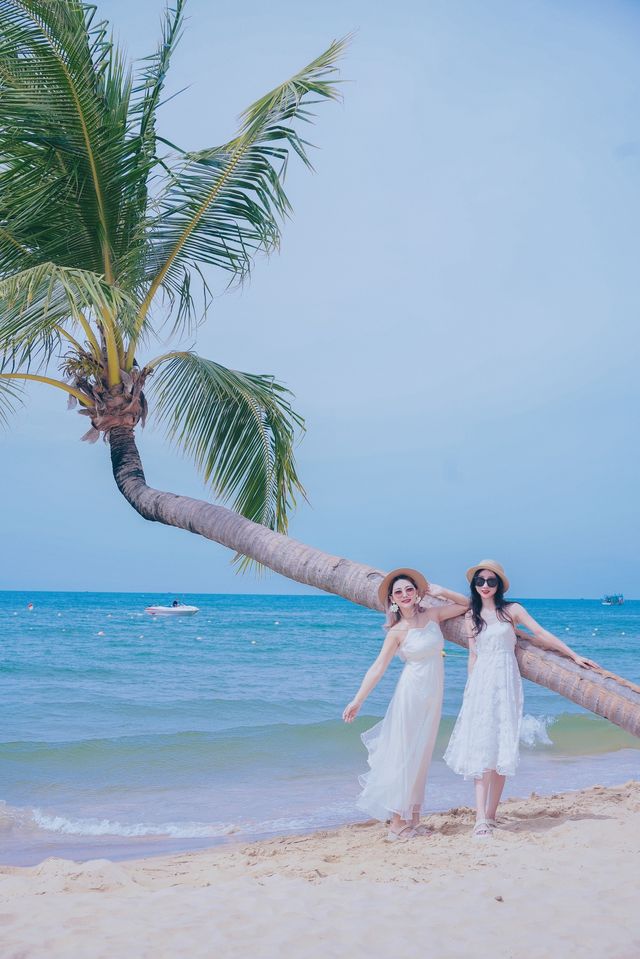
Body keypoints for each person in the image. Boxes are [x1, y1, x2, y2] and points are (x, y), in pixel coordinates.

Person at [443, 560, 598, 839]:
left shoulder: (511, 610)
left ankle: (491, 816)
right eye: (480, 581)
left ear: (499, 584)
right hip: (481, 682)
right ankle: (479, 819)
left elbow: (540, 633)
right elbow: (473, 654)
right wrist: (469, 688)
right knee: (480, 745)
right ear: (474, 585)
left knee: (502, 744)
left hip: (506, 680)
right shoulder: (471, 616)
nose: (486, 586)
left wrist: (574, 655)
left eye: (491, 581)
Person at [343, 568, 468, 841]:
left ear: (417, 593)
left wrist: (441, 591)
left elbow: (465, 604)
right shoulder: (396, 631)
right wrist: (358, 699)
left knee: (421, 755)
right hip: (410, 695)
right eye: (398, 592)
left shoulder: (433, 615)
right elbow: (378, 667)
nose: (405, 595)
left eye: (409, 590)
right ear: (392, 600)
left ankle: (413, 819)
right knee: (405, 754)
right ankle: (397, 824)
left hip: (433, 695)